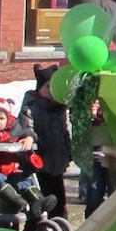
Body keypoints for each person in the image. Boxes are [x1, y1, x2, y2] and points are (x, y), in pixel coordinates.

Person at [19, 64, 72, 217]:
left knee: (59, 198)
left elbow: (66, 132)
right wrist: (29, 135)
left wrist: (69, 153)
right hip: (39, 161)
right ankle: (36, 226)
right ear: (39, 87)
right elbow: (26, 125)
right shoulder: (31, 107)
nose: (51, 91)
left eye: (55, 87)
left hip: (57, 161)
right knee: (41, 197)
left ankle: (60, 224)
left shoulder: (61, 109)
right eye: (48, 86)